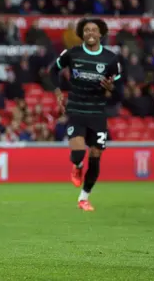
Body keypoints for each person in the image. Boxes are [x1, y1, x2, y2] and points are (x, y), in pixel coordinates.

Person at [49, 18, 123, 212]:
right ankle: (77, 165)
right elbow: (52, 70)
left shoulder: (111, 59)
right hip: (76, 110)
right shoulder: (73, 53)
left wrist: (111, 88)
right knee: (79, 152)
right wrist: (57, 92)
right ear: (82, 34)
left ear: (101, 34)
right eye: (87, 30)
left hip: (98, 113)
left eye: (94, 30)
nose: (90, 33)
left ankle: (84, 198)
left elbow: (119, 91)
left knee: (96, 156)